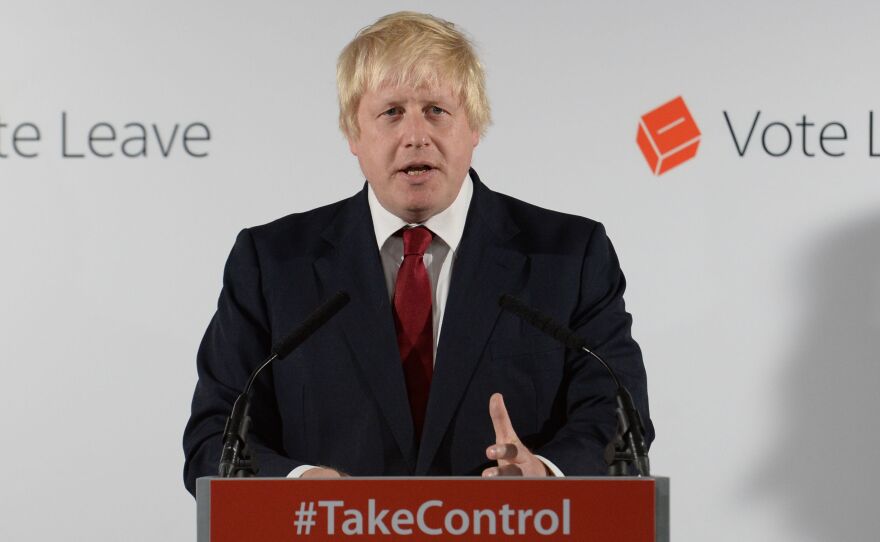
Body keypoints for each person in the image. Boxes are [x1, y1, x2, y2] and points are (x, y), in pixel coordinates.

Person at [183, 11, 653, 495]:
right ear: (353, 133)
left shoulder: (569, 256)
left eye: (436, 110)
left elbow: (618, 416)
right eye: (391, 112)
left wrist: (547, 474)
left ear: (475, 126)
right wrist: (302, 483)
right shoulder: (272, 263)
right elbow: (213, 435)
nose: (416, 135)